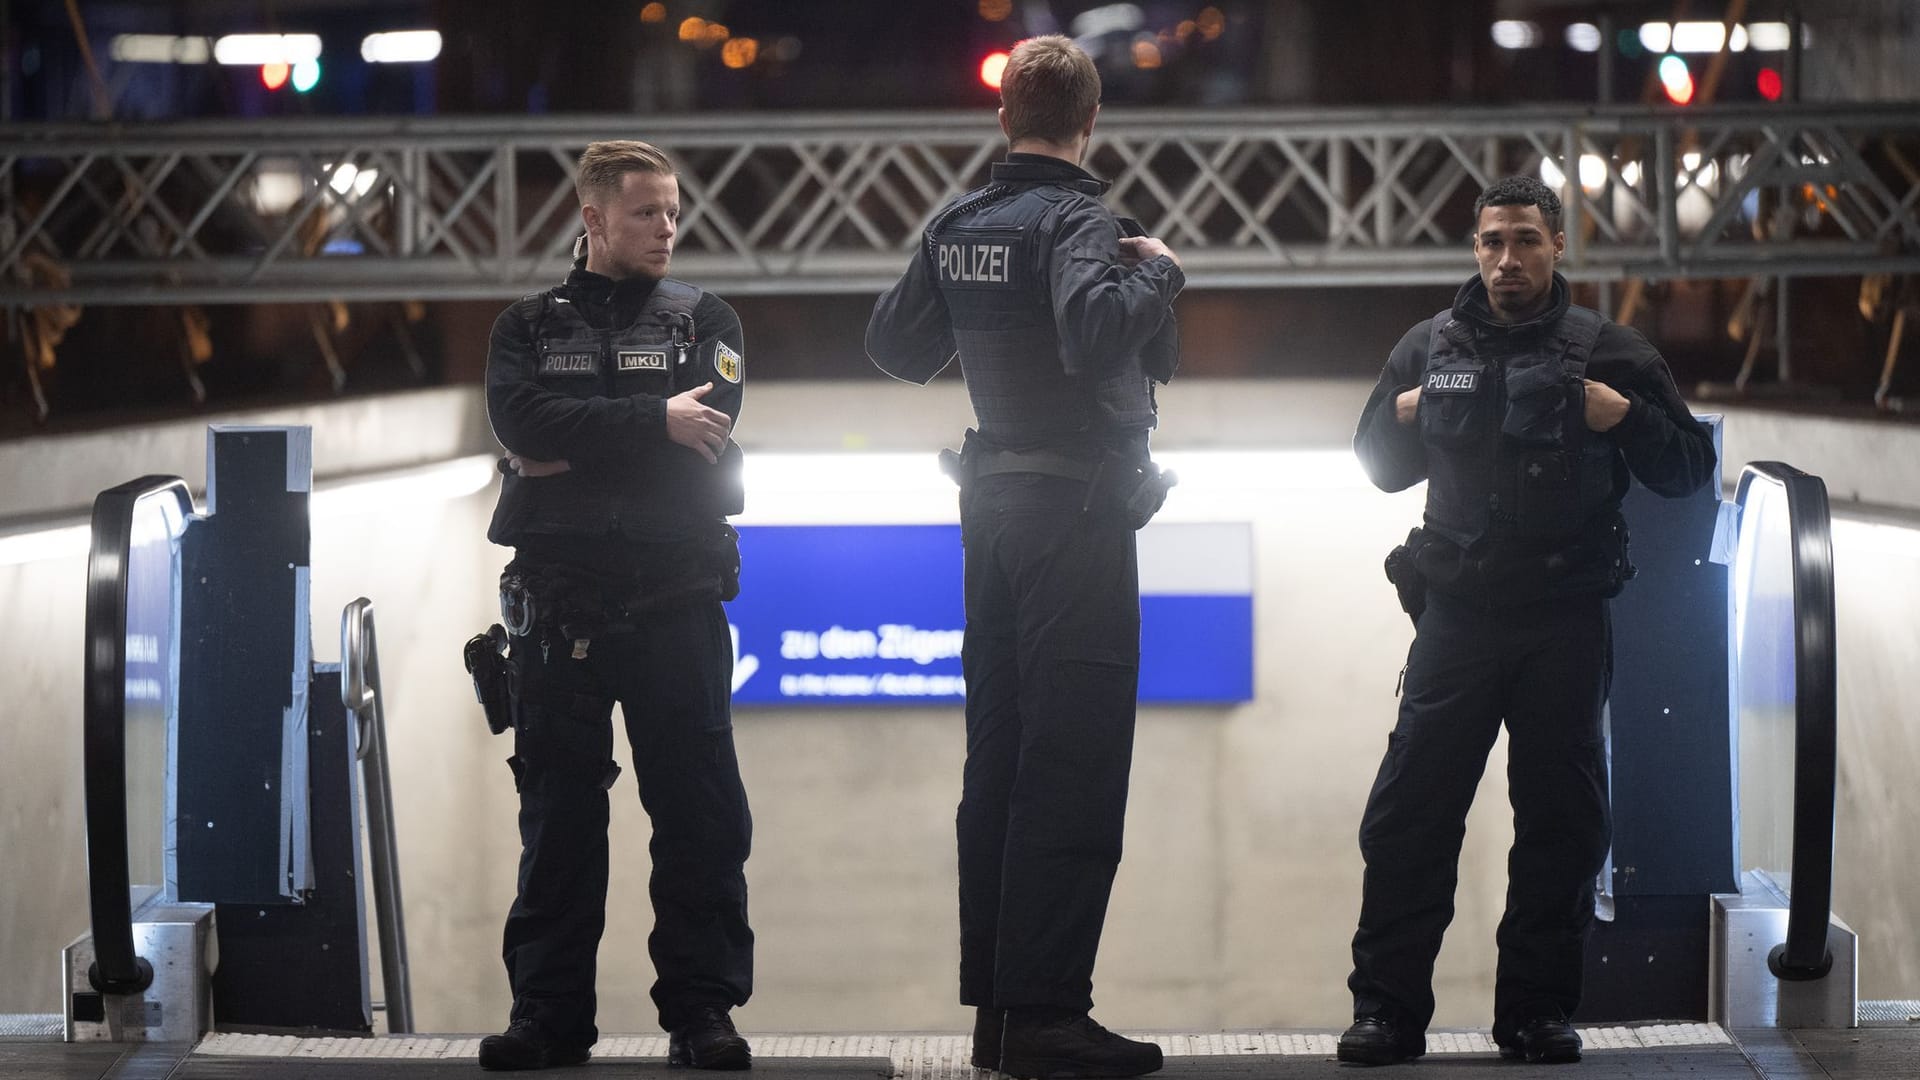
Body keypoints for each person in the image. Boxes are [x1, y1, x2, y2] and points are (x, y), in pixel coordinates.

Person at [1338, 175, 1717, 1066]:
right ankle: (1387, 1014)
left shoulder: (1610, 351)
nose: (1507, 260)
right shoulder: (1428, 346)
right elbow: (1376, 465)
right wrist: (1400, 419)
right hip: (1457, 621)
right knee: (1409, 819)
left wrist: (1622, 418)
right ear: (1476, 250)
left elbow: (1689, 466)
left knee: (1561, 824)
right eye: (1492, 243)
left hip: (1562, 621)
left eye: (1526, 243)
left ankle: (1536, 1014)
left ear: (1557, 248)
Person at [865, 34, 1183, 1080]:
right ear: (1090, 124)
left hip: (990, 512)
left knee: (997, 762)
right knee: (1074, 758)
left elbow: (896, 347)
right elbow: (1096, 333)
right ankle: (1050, 1014)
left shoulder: (957, 221)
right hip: (1074, 515)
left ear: (1004, 117)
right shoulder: (1082, 217)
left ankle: (998, 1017)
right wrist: (1162, 277)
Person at [478, 140, 754, 1072]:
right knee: (559, 820)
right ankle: (548, 1019)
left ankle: (702, 1016)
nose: (667, 228)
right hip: (559, 612)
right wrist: (651, 423)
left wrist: (577, 447)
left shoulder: (705, 319)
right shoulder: (523, 327)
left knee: (700, 816)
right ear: (593, 220)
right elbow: (523, 426)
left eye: (673, 212)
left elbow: (707, 427)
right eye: (646, 213)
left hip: (678, 603)